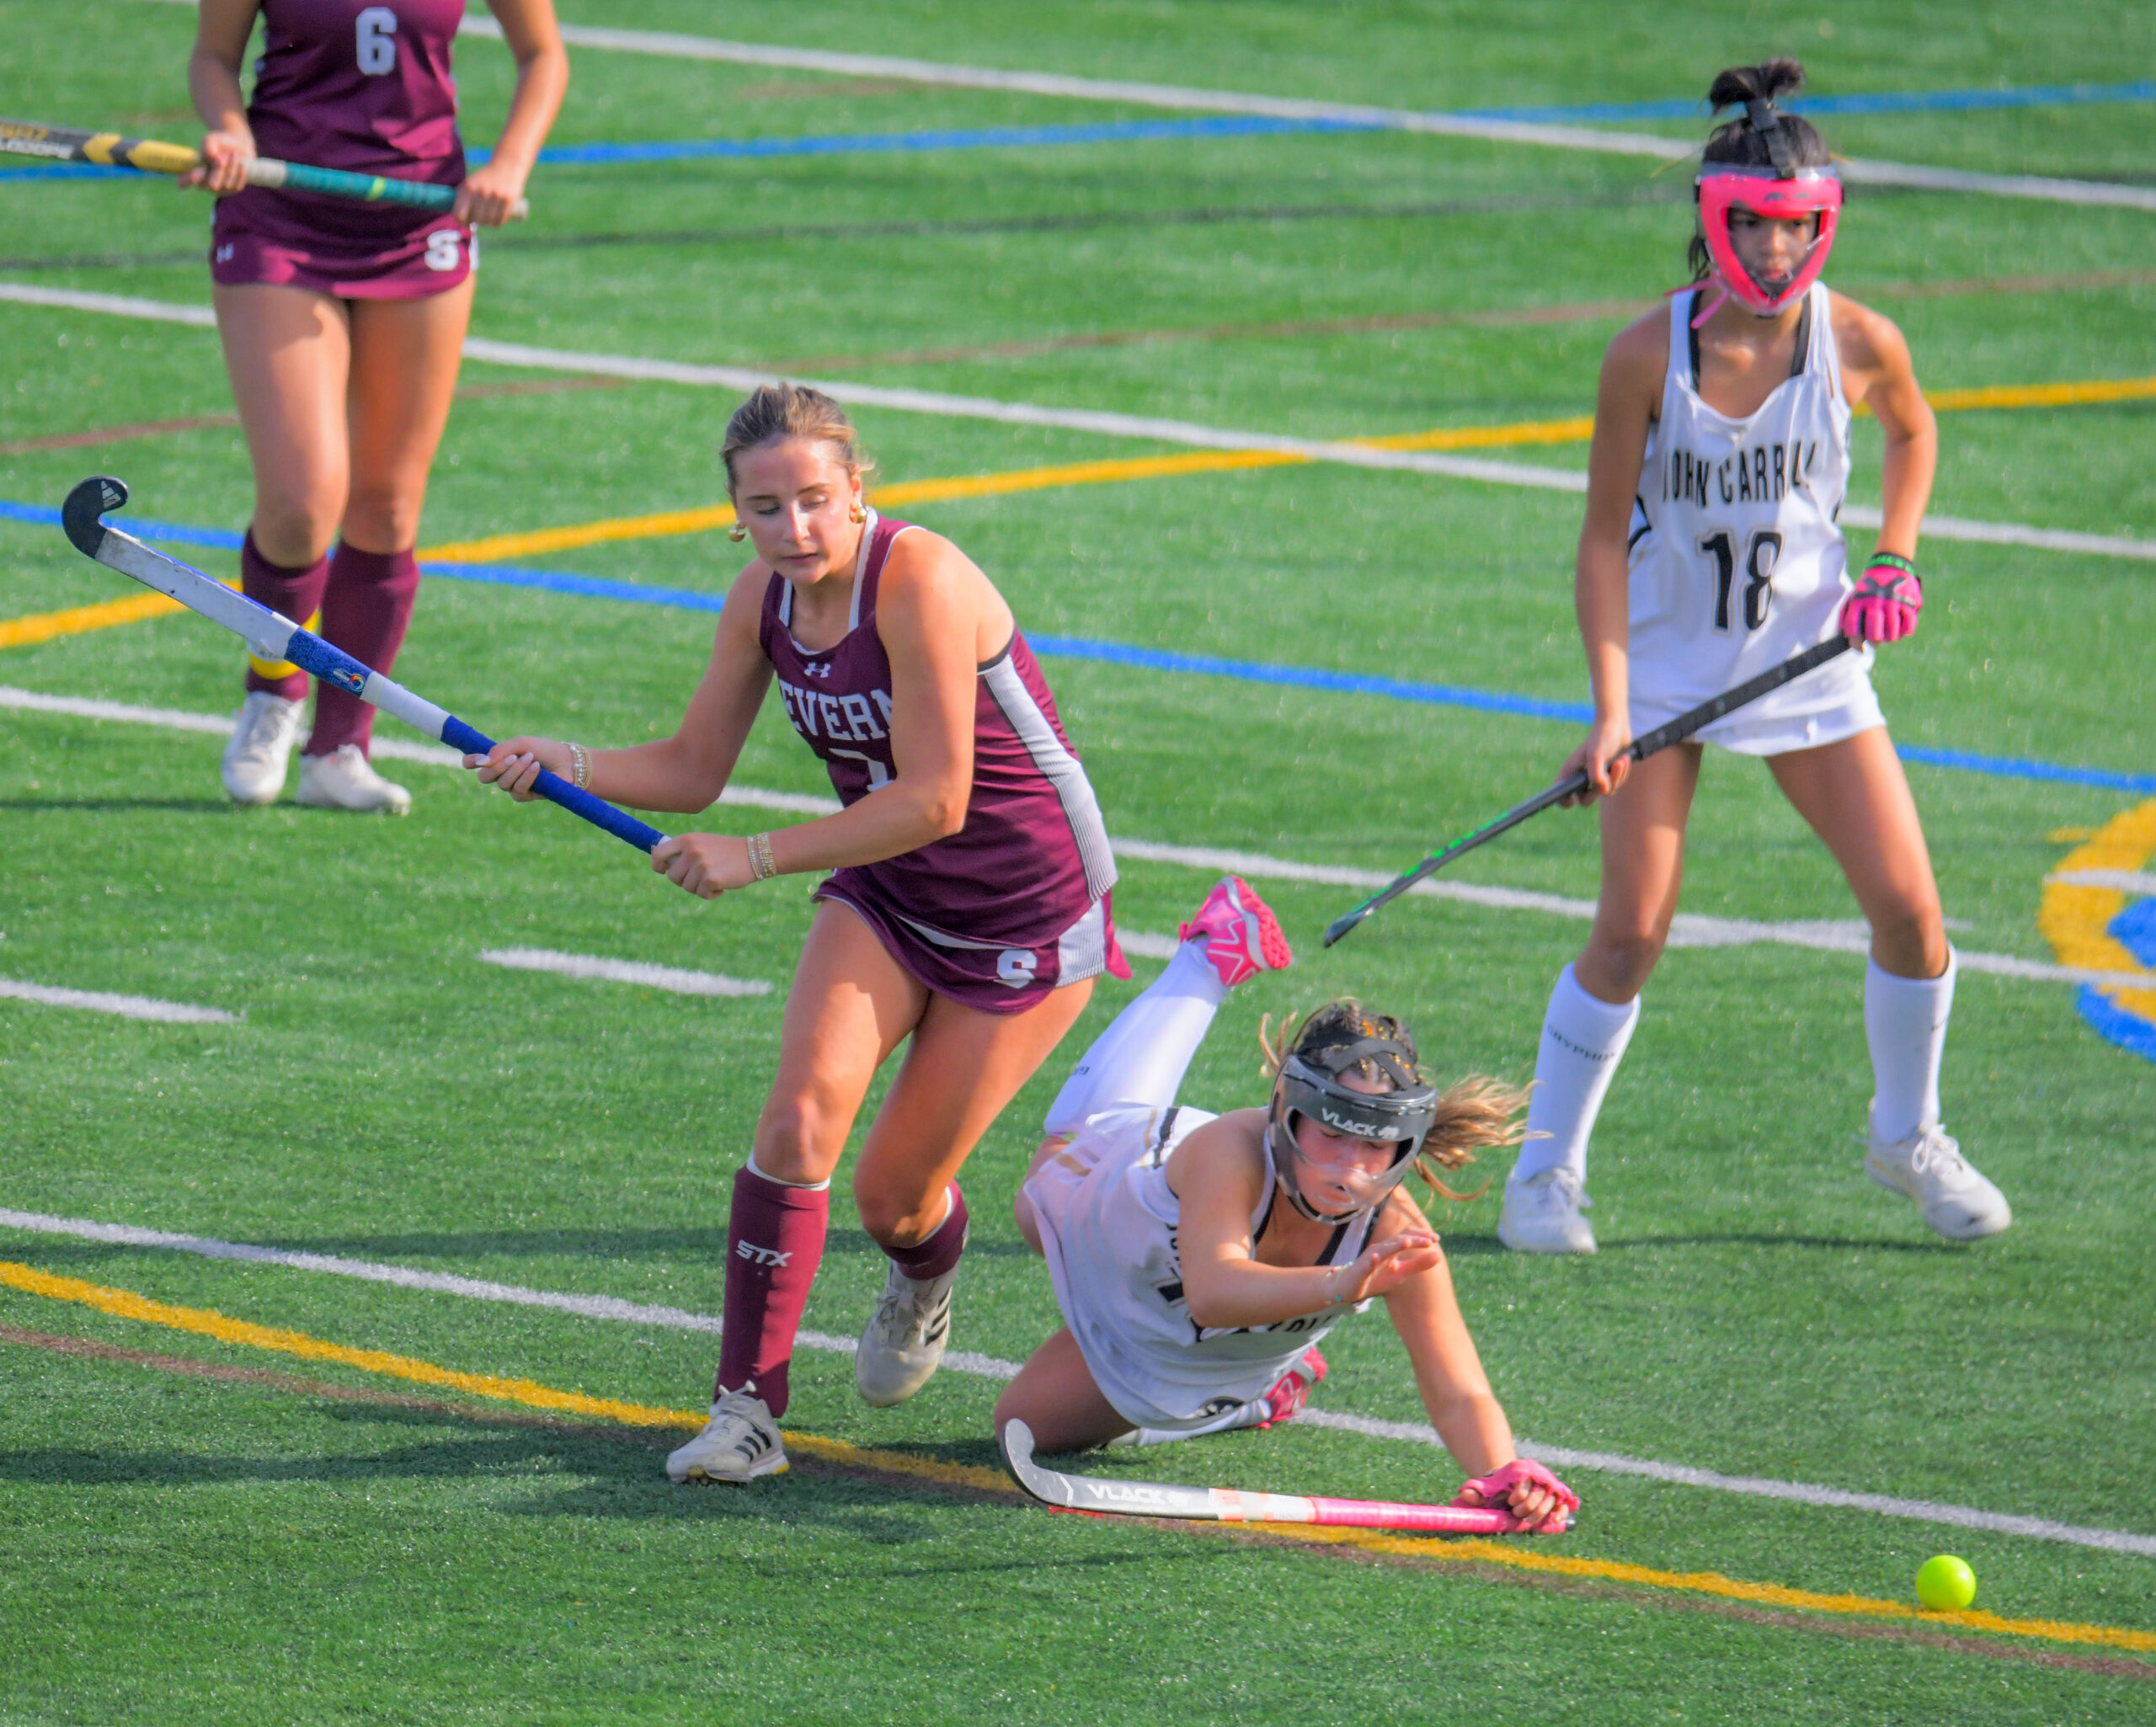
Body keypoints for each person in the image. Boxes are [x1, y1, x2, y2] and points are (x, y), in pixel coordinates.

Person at [470, 385, 1129, 1484]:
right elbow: (691, 767)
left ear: (858, 488)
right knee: (795, 1121)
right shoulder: (761, 602)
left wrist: (757, 852)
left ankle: (925, 1266)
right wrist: (565, 763)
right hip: (883, 891)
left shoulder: (918, 579)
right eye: (765, 508)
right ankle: (747, 1411)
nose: (794, 529)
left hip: (1025, 910)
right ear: (736, 511)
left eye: (816, 500)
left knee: (893, 1197)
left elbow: (937, 800)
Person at [1497, 59, 2009, 1255]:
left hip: (1810, 667)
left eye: (1798, 230)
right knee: (1630, 930)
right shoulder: (1644, 358)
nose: (1777, 256)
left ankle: (1908, 1134)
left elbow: (1914, 429)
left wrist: (1895, 555)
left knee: (1912, 913)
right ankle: (1547, 1170)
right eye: (1754, 228)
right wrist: (1612, 709)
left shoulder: (1860, 340)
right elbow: (1600, 545)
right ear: (1710, 221)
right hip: (1672, 676)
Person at [993, 875, 1577, 1532]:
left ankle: (1251, 1400)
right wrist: (1342, 1282)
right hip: (1106, 1228)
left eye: (1373, 1147)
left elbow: (1460, 1388)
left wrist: (1505, 1472)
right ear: (1286, 1114)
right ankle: (1210, 959)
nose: (1348, 1168)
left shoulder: (1397, 1233)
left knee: (1021, 1425)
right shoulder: (1231, 1151)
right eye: (1329, 1134)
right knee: (1041, 1188)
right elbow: (1213, 1290)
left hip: (1171, 1344)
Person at [189, 0, 568, 813]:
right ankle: (272, 692)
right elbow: (213, 57)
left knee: (387, 507)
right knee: (300, 500)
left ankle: (339, 749)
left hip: (418, 219)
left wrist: (508, 165)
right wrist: (231, 134)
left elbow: (543, 55)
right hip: (280, 213)